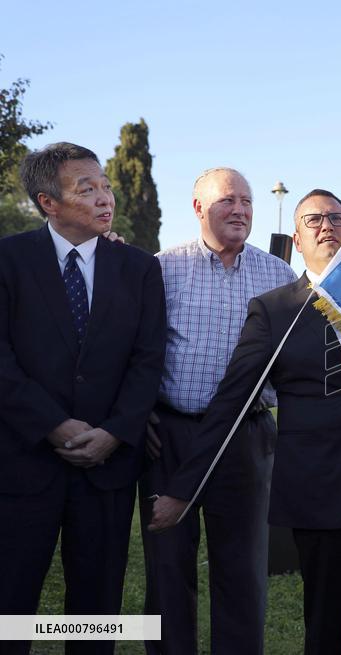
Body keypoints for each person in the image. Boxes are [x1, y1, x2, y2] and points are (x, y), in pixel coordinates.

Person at [148, 189, 341, 655]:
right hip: (321, 485)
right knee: (325, 623)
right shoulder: (275, 309)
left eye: (337, 217)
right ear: (297, 239)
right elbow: (232, 401)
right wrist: (183, 489)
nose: (327, 226)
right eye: (313, 219)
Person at [0, 143, 166, 654]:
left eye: (106, 186)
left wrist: (115, 432)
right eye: (86, 188)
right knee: (10, 607)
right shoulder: (8, 260)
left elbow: (148, 360)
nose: (104, 198)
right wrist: (54, 424)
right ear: (48, 202)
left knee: (96, 613)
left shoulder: (138, 268)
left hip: (107, 470)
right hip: (23, 464)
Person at [139, 168, 296, 654]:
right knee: (167, 568)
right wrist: (136, 410)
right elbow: (132, 348)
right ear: (198, 208)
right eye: (228, 200)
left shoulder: (278, 274)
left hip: (246, 441)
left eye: (247, 202)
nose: (241, 210)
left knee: (243, 569)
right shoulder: (161, 268)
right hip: (170, 438)